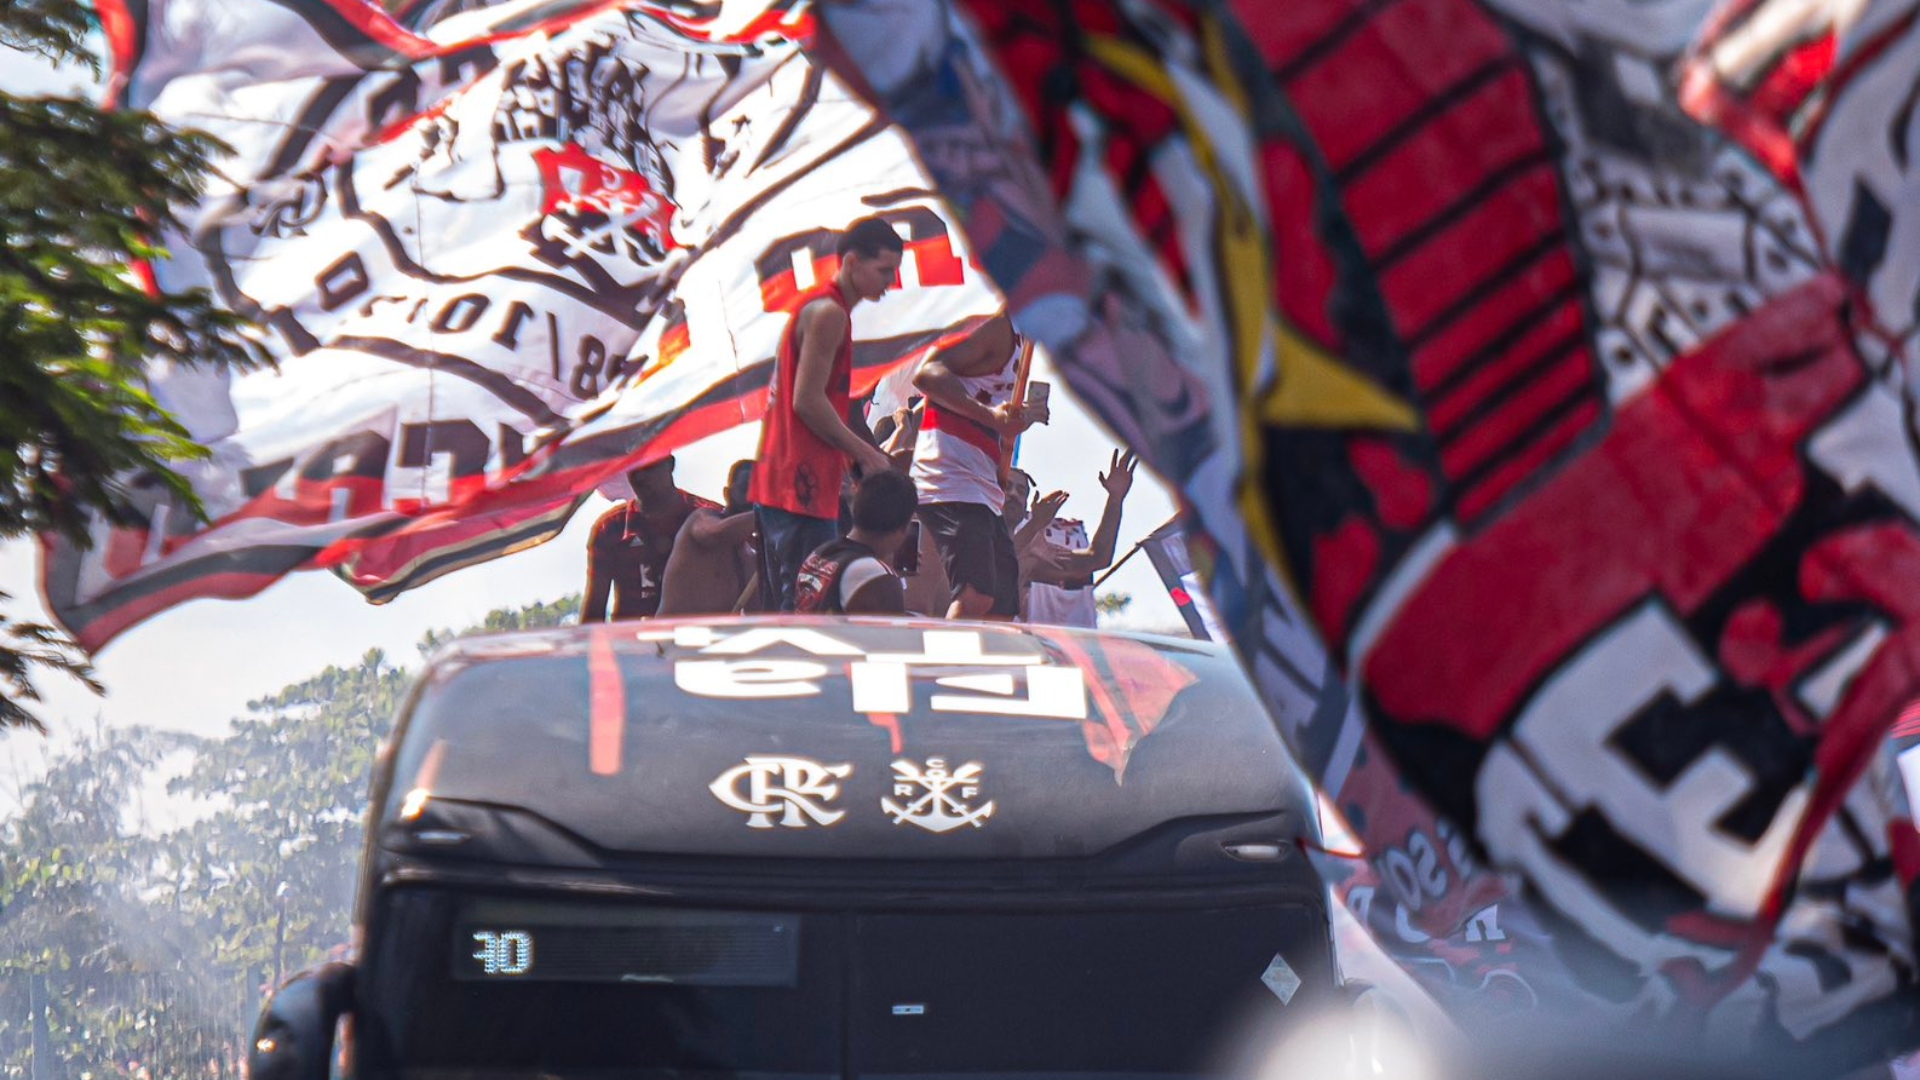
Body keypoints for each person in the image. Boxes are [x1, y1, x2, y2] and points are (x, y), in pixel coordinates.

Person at [749, 216, 903, 611]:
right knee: (806, 601)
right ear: (852, 263)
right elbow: (808, 401)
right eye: (884, 270)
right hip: (798, 483)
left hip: (789, 478)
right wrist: (868, 455)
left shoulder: (824, 309)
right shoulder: (829, 313)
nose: (890, 282)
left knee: (796, 595)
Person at [909, 312, 1046, 619]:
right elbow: (928, 374)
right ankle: (946, 666)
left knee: (1001, 605)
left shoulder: (1023, 342)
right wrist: (992, 417)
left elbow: (992, 408)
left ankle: (983, 664)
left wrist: (1014, 418)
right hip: (951, 477)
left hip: (982, 484)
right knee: (975, 596)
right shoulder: (997, 327)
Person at [583, 455, 716, 621]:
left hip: (696, 639)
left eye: (649, 466)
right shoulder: (610, 528)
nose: (640, 477)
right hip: (632, 642)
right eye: (633, 468)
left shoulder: (711, 518)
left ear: (670, 464)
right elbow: (594, 611)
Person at [1018, 450, 1138, 627]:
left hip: (1054, 647)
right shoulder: (981, 540)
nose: (1012, 494)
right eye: (1006, 487)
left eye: (1020, 490)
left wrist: (1115, 499)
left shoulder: (1035, 553)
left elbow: (1098, 557)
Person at [794, 470, 917, 615]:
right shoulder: (878, 577)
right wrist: (889, 578)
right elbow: (892, 635)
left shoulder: (821, 553)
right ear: (903, 528)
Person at [657, 460, 760, 616]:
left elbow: (756, 617)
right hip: (669, 637)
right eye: (745, 488)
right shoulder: (701, 519)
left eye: (759, 492)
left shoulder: (751, 559)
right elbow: (715, 535)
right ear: (727, 493)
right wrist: (768, 514)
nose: (750, 498)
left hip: (716, 639)